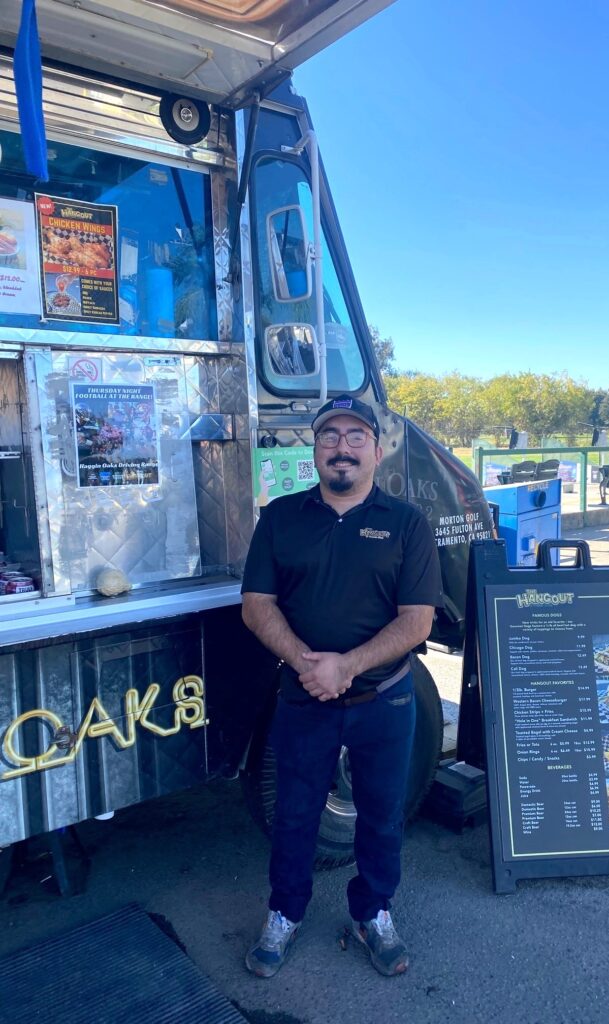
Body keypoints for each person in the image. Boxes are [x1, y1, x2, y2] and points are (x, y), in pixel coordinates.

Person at [240, 394, 442, 979]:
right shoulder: (280, 517)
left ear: (376, 451)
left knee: (381, 816)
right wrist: (310, 664)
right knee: (296, 815)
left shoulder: (406, 523)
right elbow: (257, 606)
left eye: (356, 437)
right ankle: (284, 913)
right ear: (315, 450)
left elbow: (417, 621)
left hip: (386, 697)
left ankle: (373, 913)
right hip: (304, 696)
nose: (343, 447)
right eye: (330, 437)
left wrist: (346, 666)